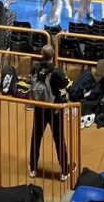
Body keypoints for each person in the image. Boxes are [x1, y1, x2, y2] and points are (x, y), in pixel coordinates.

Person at [28, 45, 73, 181]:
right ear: (54, 55)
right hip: (54, 110)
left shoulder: (35, 68)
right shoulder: (56, 72)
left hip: (39, 108)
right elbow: (66, 86)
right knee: (59, 139)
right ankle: (64, 171)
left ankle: (33, 168)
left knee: (36, 138)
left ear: (41, 54)